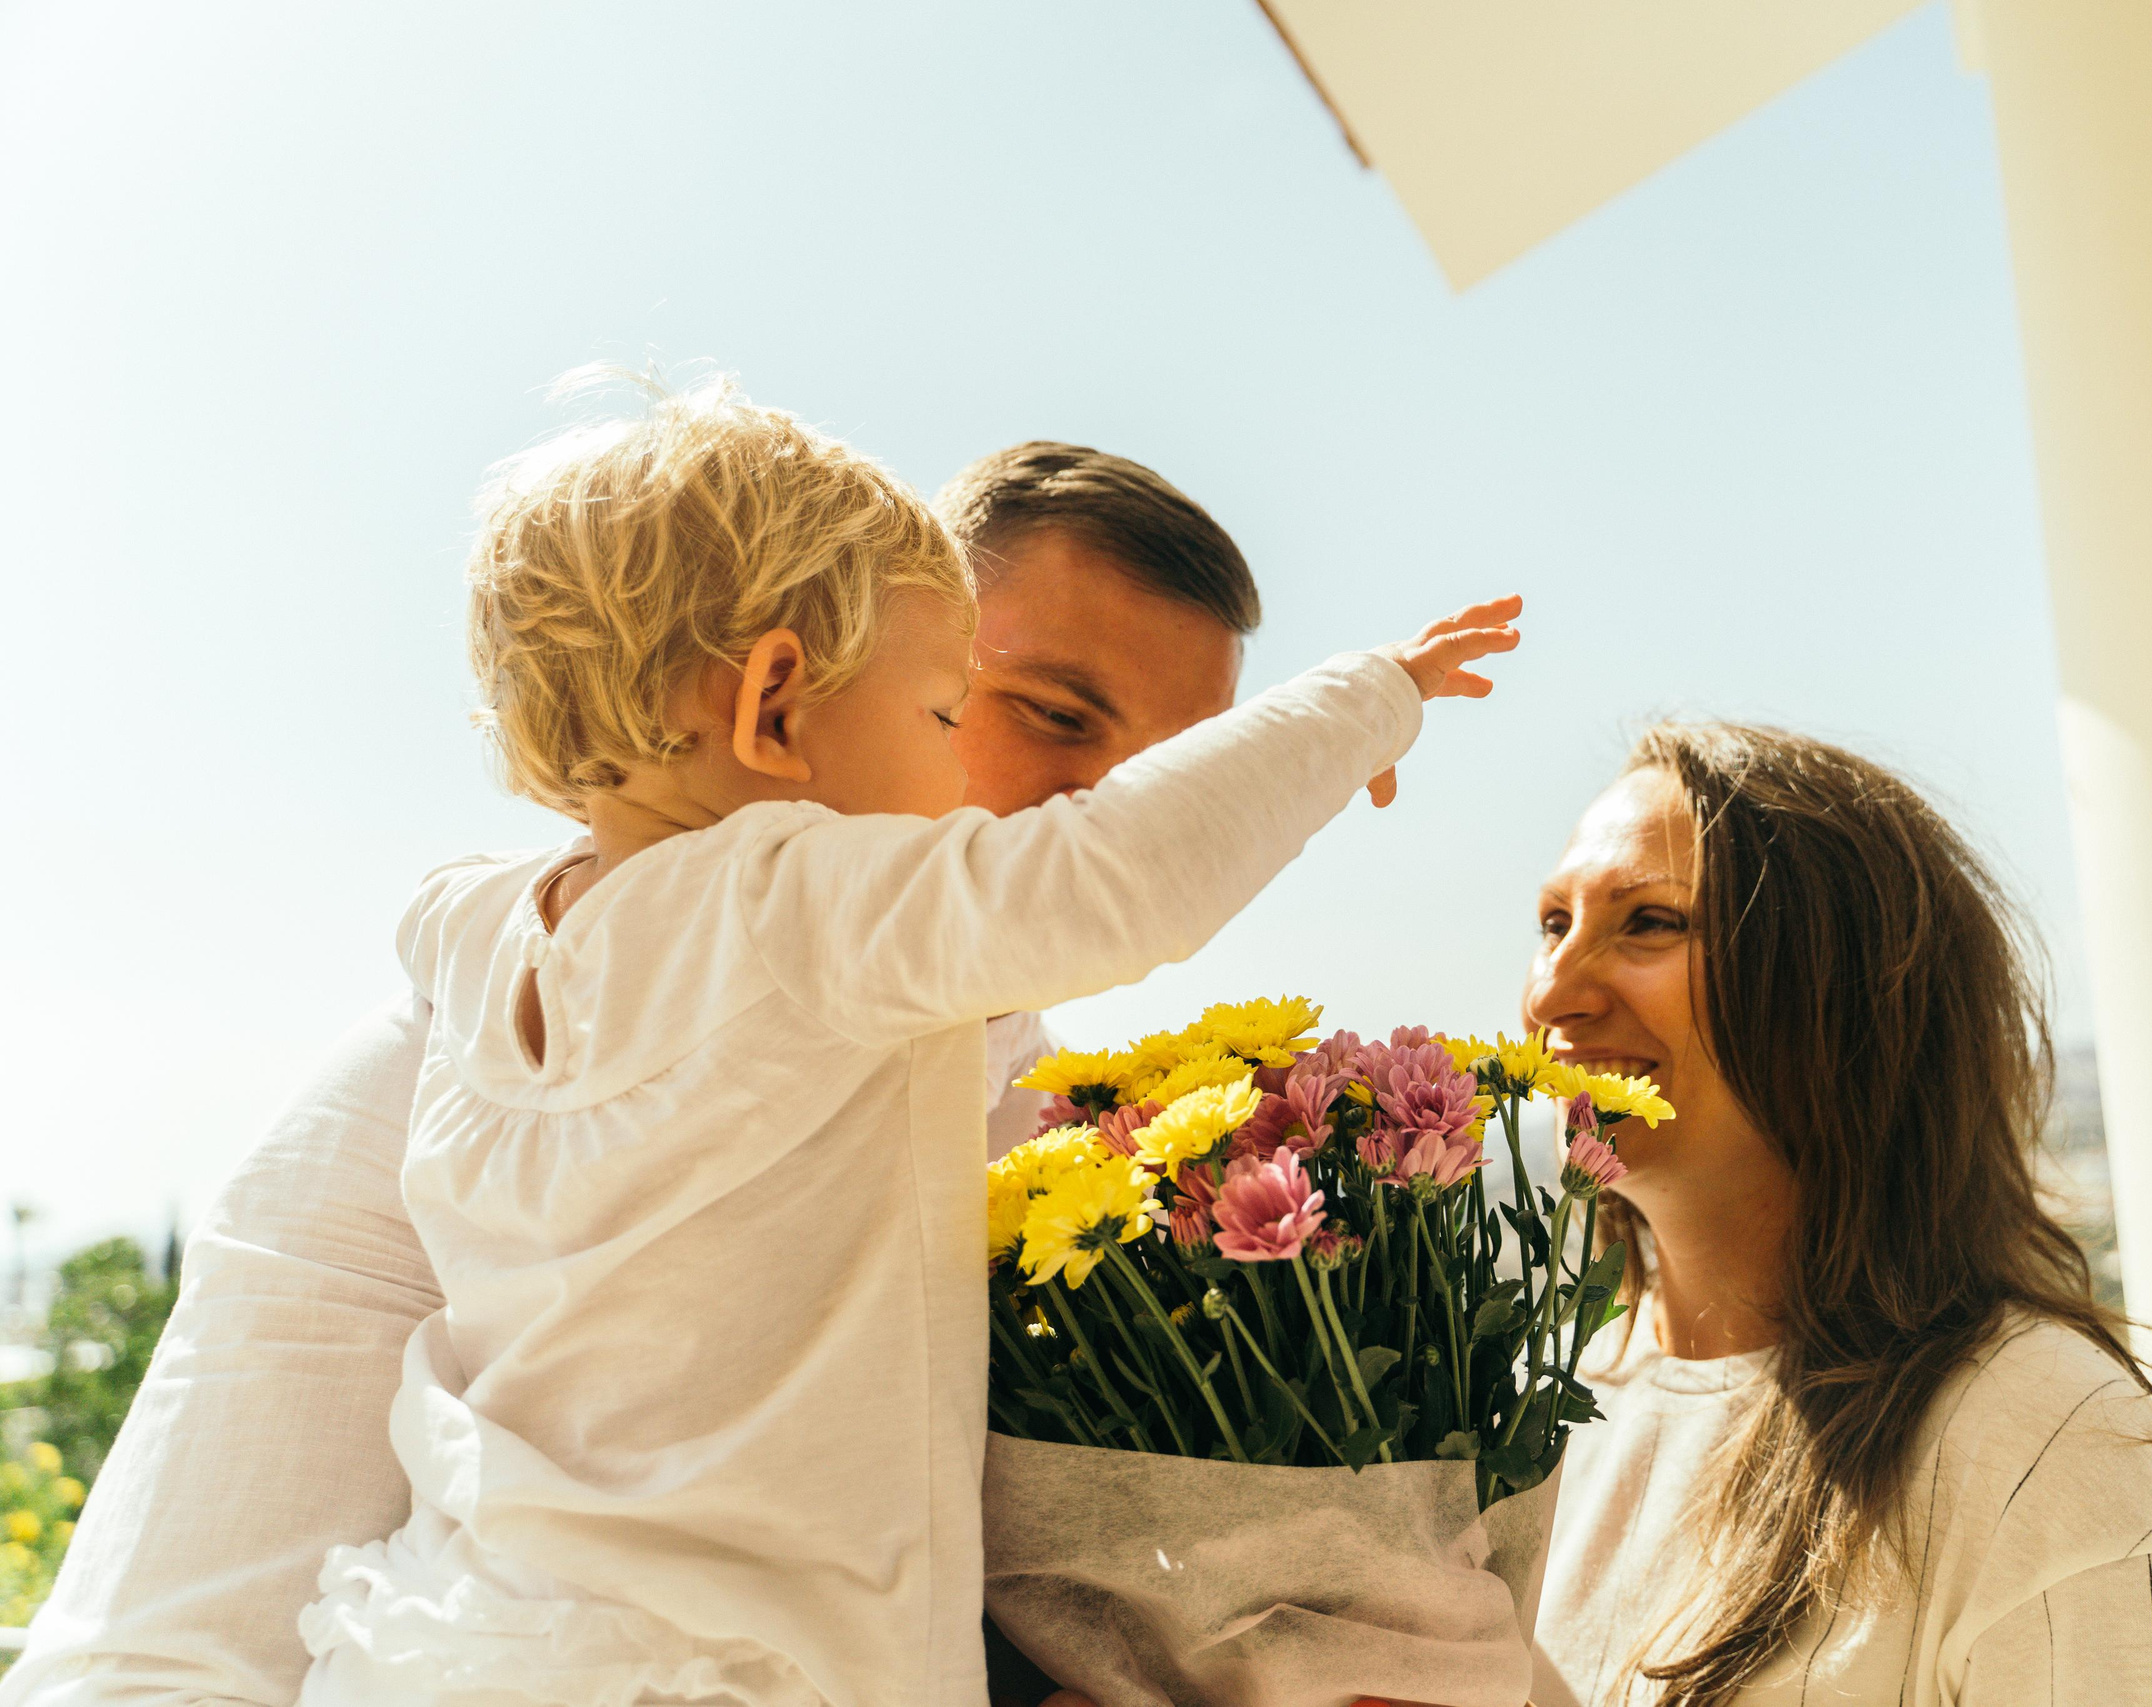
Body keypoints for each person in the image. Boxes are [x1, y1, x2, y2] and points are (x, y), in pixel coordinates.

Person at [0, 422, 1319, 1707]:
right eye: (1050, 712)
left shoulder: (1091, 1149)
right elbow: (172, 1616)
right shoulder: (451, 1062)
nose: (1110, 802)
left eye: (1184, 772)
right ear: (801, 682)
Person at [1524, 723, 2152, 1705]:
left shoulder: (2038, 1444)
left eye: (1650, 922)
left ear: (1839, 994)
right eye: (1553, 923)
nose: (1552, 993)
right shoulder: (1539, 1417)